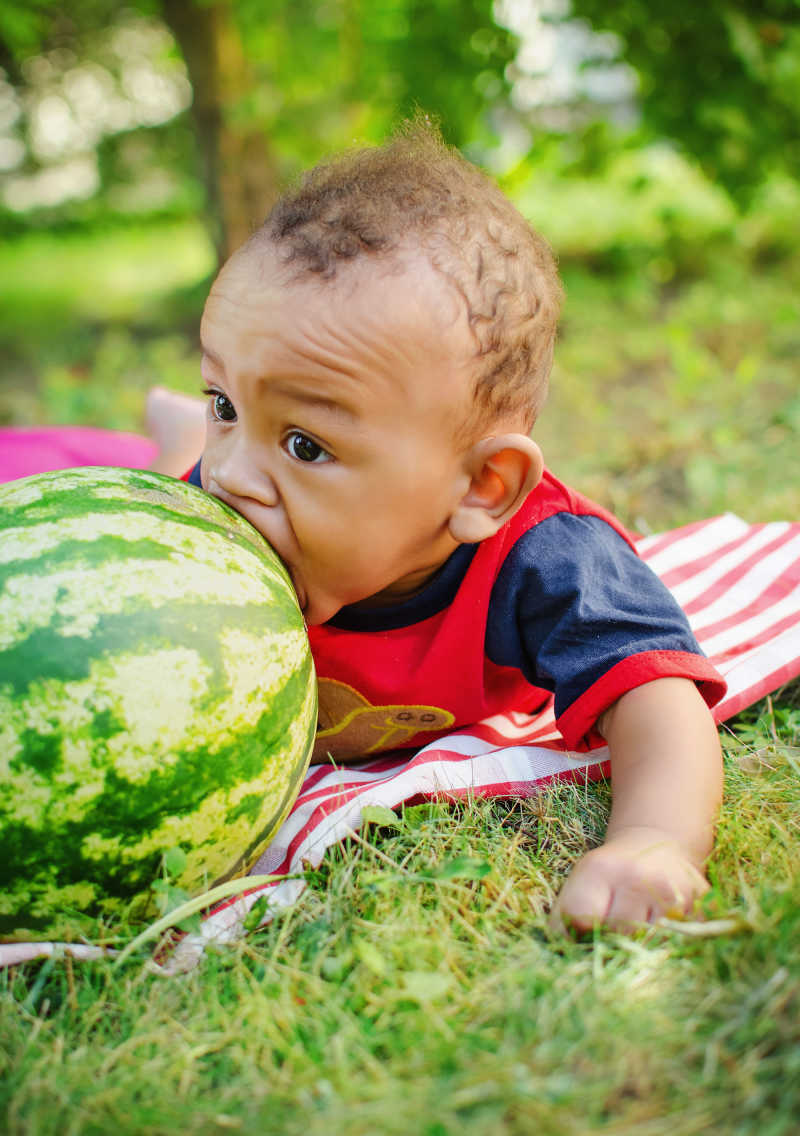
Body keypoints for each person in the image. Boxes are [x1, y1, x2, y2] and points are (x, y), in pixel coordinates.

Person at [157, 121, 726, 933]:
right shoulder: (212, 519)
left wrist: (654, 840)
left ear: (481, 488)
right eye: (225, 404)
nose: (230, 477)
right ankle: (178, 430)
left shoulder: (544, 558)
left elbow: (657, 700)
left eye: (305, 444)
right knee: (174, 473)